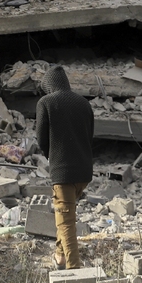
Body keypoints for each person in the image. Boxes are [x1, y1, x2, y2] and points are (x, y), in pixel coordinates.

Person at [36, 65, 94, 270]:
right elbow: (89, 135)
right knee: (65, 215)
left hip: (63, 173)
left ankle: (74, 270)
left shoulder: (46, 102)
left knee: (66, 222)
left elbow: (41, 139)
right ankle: (60, 256)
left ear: (48, 86)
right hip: (84, 171)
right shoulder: (84, 103)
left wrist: (53, 159)